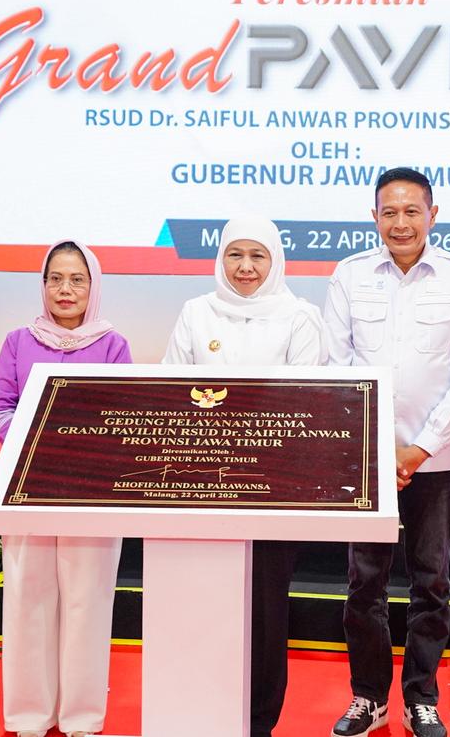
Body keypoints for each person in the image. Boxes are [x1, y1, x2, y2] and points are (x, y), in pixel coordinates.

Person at [325, 168, 450, 737]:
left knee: (431, 580)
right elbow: (338, 367)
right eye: (389, 212)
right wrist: (379, 447)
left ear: (432, 215)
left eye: (411, 211)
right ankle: (368, 697)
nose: (400, 223)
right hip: (367, 460)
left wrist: (418, 448)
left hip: (434, 460)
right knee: (364, 582)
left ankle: (421, 696)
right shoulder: (349, 275)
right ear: (374, 217)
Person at [163, 217, 326, 737]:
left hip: (272, 493)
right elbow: (171, 393)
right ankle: (198, 714)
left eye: (258, 255)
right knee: (200, 604)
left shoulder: (301, 317)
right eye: (235, 254)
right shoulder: (196, 312)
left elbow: (305, 404)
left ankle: (258, 722)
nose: (246, 267)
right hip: (199, 486)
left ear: (275, 260)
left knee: (264, 612)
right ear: (220, 259)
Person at [0, 241, 132, 737]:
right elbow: (0, 407)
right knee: (27, 597)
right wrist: (37, 443)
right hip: (26, 484)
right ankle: (30, 715)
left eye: (77, 279)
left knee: (87, 601)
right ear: (43, 284)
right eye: (55, 279)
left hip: (91, 489)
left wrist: (78, 448)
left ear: (93, 286)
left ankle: (81, 717)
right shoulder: (17, 341)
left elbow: (122, 413)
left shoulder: (112, 345)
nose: (65, 289)